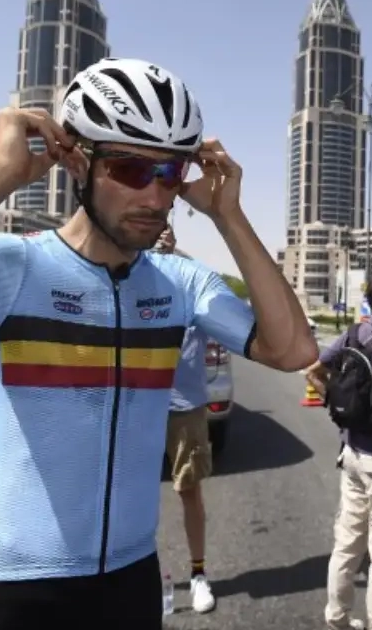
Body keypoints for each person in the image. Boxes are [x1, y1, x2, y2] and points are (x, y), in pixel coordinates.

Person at [0, 58, 317, 630]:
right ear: (76, 161)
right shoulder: (6, 267)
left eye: (171, 172)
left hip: (130, 586)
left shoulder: (179, 283)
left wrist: (229, 215)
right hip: (9, 593)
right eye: (129, 168)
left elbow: (292, 351)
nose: (156, 195)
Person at [305, 274, 372, 630]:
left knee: (347, 545)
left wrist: (335, 404)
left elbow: (313, 371)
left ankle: (336, 617)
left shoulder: (352, 334)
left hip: (350, 452)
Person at [155, 224, 216, 614]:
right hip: (137, 404)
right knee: (130, 493)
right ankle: (138, 574)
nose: (159, 239)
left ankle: (197, 573)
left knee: (189, 489)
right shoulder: (127, 278)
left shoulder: (190, 282)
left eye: (165, 233)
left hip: (185, 405)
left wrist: (176, 258)